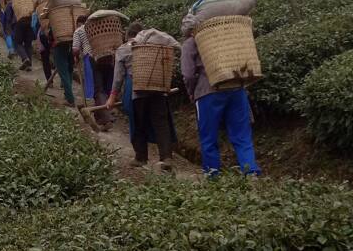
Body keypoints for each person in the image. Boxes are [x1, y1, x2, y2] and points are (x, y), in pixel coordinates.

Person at [180, 13, 261, 176]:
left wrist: (191, 92)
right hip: (236, 87)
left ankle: (212, 175)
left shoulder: (190, 43)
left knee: (208, 137)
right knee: (242, 135)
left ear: (187, 30)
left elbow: (188, 74)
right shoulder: (222, 36)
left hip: (208, 92)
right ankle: (251, 172)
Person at [106, 22, 175, 168]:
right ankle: (166, 157)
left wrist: (112, 96)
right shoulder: (156, 47)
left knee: (138, 123)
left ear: (127, 35)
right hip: (158, 89)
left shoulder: (124, 49)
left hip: (138, 91)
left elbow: (118, 77)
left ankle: (141, 157)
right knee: (161, 123)